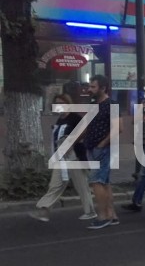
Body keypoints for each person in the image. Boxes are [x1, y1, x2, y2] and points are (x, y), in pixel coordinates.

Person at [29, 94, 97, 222]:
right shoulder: (60, 120)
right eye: (56, 103)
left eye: (61, 103)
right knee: (55, 185)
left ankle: (90, 211)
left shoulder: (75, 118)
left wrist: (72, 141)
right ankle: (44, 211)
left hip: (74, 156)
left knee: (81, 185)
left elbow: (86, 130)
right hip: (61, 157)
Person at [84, 75, 121, 229]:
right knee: (104, 182)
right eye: (90, 86)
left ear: (103, 88)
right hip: (92, 147)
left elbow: (118, 128)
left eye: (93, 87)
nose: (90, 89)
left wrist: (102, 144)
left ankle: (103, 216)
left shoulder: (111, 104)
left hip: (103, 149)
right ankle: (112, 215)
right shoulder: (93, 104)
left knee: (96, 182)